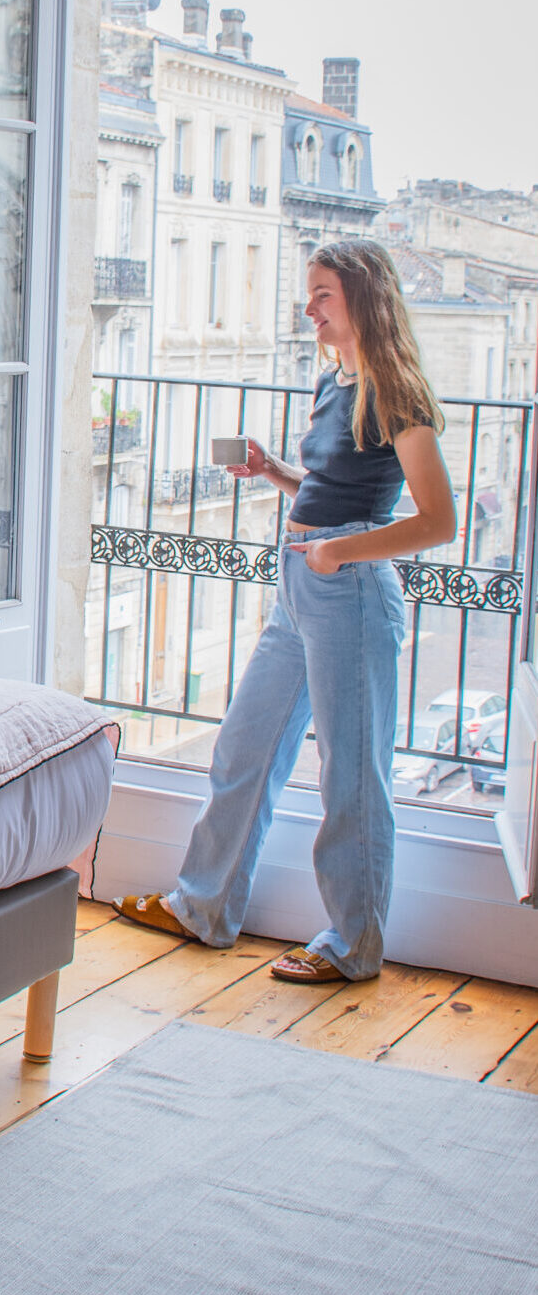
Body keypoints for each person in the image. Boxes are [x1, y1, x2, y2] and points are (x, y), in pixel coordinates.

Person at [115, 240, 456, 983]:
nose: (308, 308)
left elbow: (437, 522)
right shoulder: (336, 381)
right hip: (300, 585)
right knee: (245, 747)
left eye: (322, 293)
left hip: (348, 592)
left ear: (361, 296)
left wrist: (341, 553)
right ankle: (203, 906)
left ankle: (351, 945)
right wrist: (274, 472)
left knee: (351, 778)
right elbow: (330, 488)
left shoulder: (398, 391)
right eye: (308, 293)